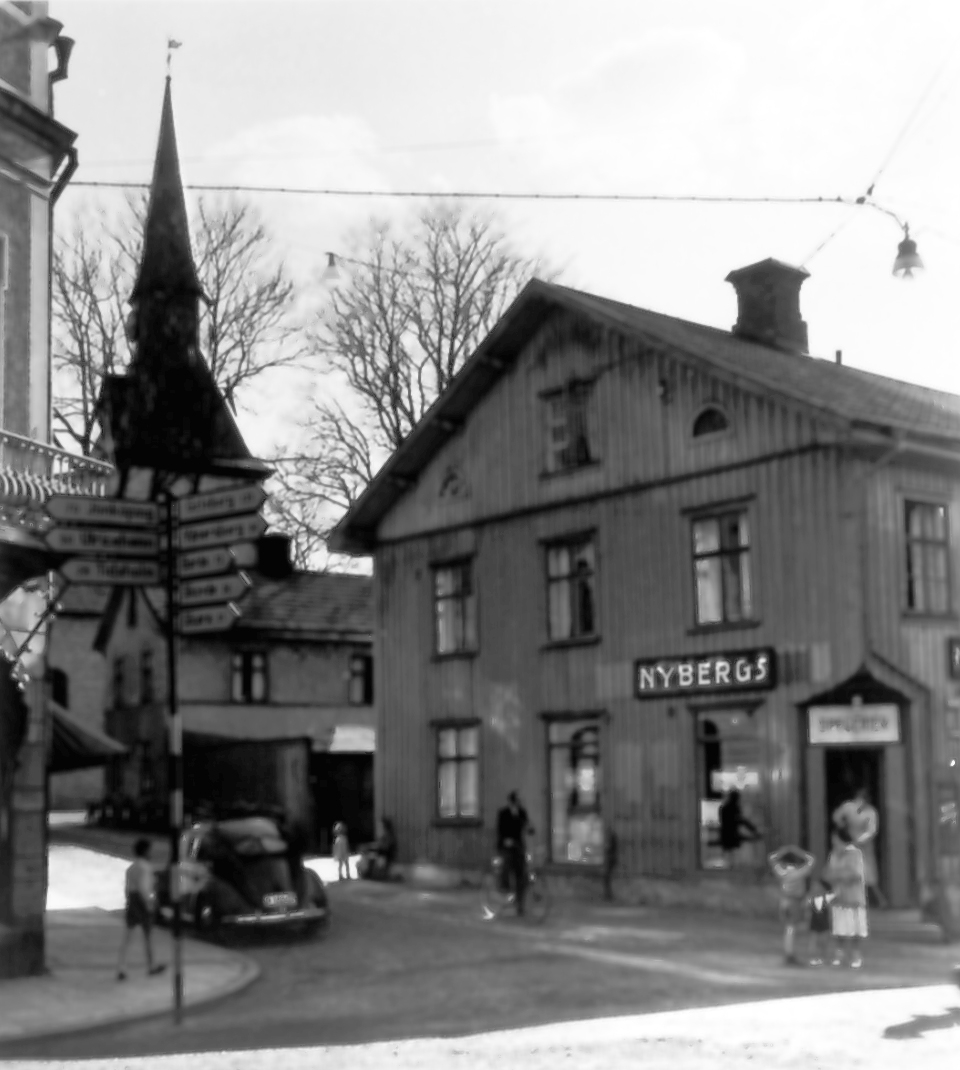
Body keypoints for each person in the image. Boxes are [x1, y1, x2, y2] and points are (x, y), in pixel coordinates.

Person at [117, 837, 166, 981]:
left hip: (132, 900)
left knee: (128, 936)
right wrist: (151, 902)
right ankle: (151, 965)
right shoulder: (146, 868)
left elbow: (127, 888)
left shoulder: (131, 868)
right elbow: (145, 889)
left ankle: (122, 967)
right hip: (142, 901)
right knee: (148, 935)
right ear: (145, 851)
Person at [833, 787, 887, 909]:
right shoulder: (848, 807)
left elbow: (872, 830)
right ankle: (846, 899)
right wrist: (842, 826)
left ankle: (878, 900)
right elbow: (836, 817)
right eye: (858, 799)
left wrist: (860, 840)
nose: (860, 802)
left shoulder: (871, 812)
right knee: (847, 872)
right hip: (847, 845)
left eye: (863, 800)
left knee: (868, 874)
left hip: (864, 847)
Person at [823, 827, 868, 968]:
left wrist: (839, 875)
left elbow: (855, 874)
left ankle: (856, 955)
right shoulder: (834, 855)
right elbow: (828, 873)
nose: (833, 841)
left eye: (835, 838)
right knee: (839, 927)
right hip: (839, 895)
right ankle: (839, 954)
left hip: (854, 896)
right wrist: (839, 876)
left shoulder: (855, 853)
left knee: (856, 928)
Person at [768, 844, 815, 965]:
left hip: (784, 901)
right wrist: (798, 851)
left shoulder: (782, 873)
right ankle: (790, 954)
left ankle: (789, 952)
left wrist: (782, 851)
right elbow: (811, 860)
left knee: (789, 928)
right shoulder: (799, 873)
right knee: (792, 928)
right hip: (795, 902)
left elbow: (771, 858)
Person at [496, 791, 533, 915]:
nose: (518, 803)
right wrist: (505, 840)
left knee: (521, 874)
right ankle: (504, 887)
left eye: (519, 802)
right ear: (511, 802)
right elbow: (500, 830)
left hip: (518, 846)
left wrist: (530, 829)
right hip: (507, 846)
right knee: (506, 865)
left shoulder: (521, 812)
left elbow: (527, 824)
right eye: (516, 801)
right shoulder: (503, 813)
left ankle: (520, 904)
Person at [718, 788, 759, 869]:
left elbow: (735, 821)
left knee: (728, 856)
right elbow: (741, 821)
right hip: (733, 835)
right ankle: (733, 871)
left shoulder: (723, 808)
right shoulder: (735, 808)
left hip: (725, 834)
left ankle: (730, 871)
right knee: (735, 856)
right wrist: (753, 829)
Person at [807, 877, 835, 966]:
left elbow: (830, 912)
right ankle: (813, 957)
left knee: (824, 941)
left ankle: (823, 957)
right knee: (813, 941)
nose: (816, 889)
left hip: (824, 923)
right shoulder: (811, 899)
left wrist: (831, 921)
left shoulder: (826, 900)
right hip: (814, 922)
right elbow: (806, 909)